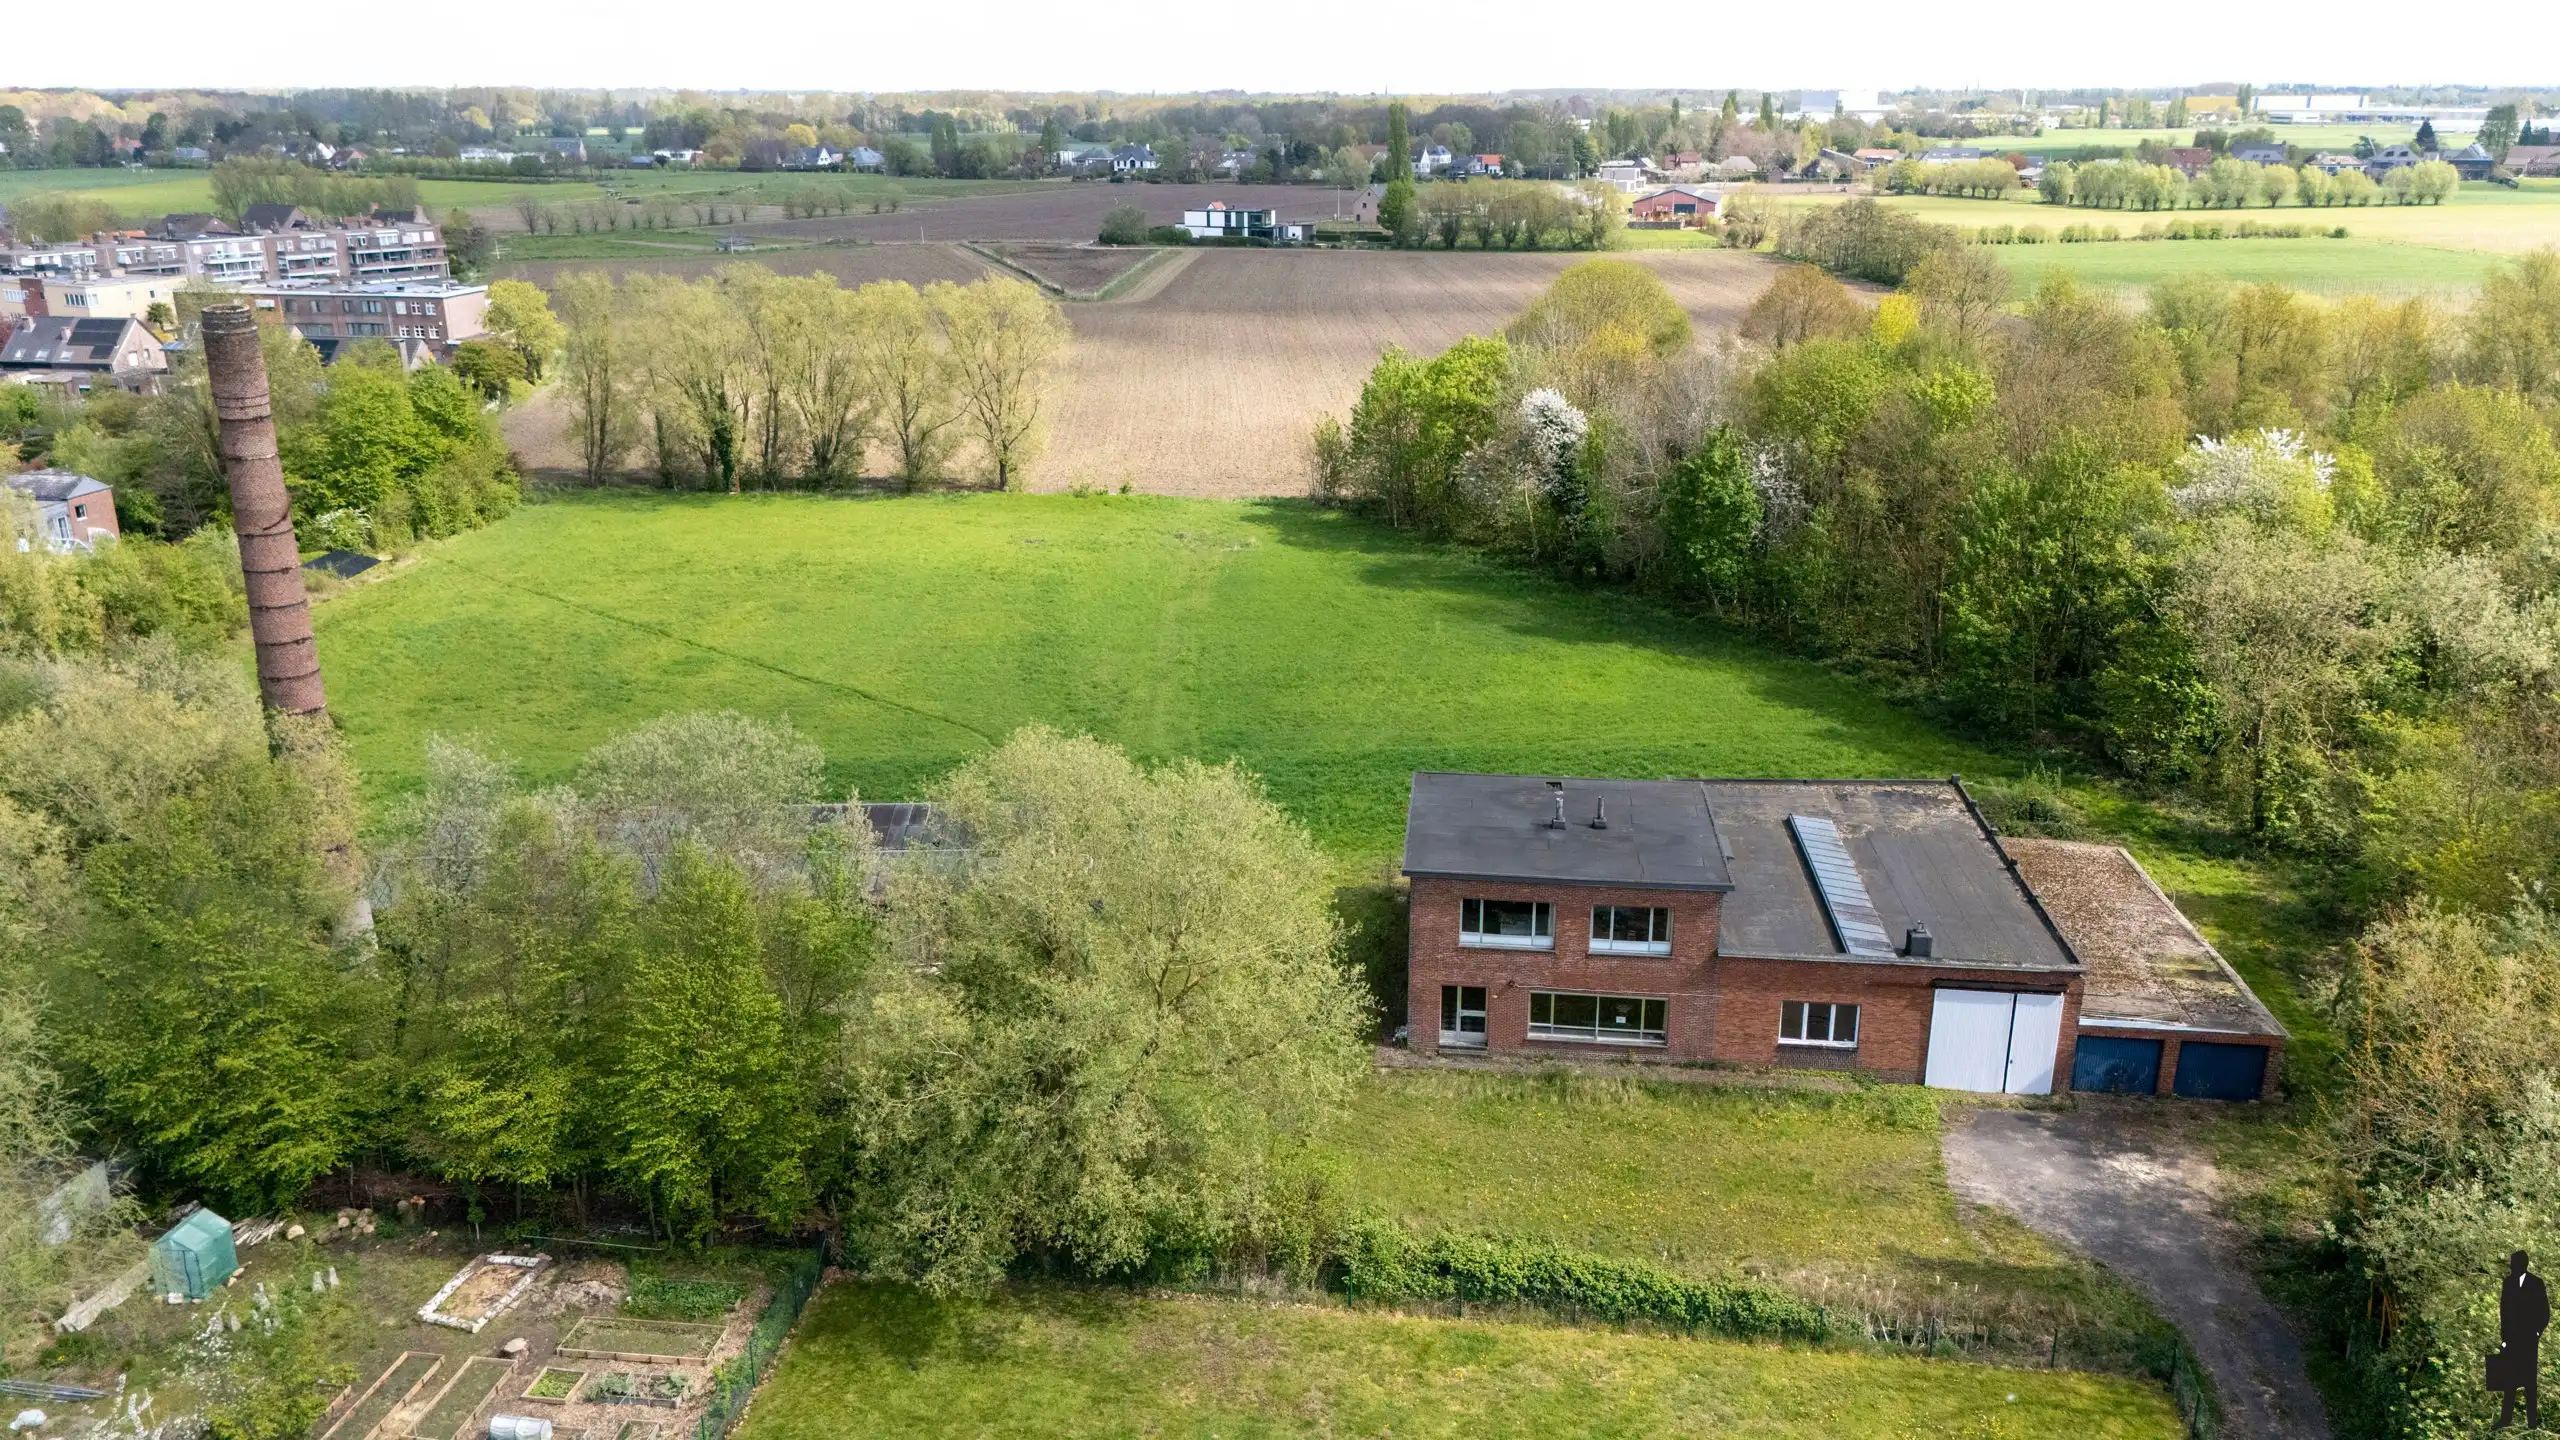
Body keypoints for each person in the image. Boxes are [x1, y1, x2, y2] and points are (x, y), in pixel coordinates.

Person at [2498, 1249, 2549, 1430]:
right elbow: (2503, 1312)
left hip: (2528, 1340)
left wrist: (2536, 1334)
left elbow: (2545, 1313)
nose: (2511, 1266)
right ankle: (2505, 1419)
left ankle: (2532, 1422)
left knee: (2529, 1382)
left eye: (2513, 1263)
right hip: (2511, 1340)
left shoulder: (2536, 1283)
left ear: (2522, 1264)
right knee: (2509, 1381)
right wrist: (2504, 1339)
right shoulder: (2508, 1283)